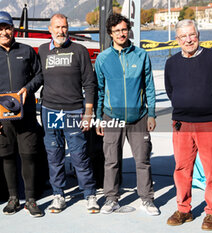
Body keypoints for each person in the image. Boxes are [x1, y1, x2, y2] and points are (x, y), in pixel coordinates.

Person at [164, 19, 212, 231]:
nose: (188, 39)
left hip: (211, 124)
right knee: (181, 170)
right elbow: (170, 90)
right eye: (183, 36)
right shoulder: (171, 63)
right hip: (182, 125)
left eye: (192, 35)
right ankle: (184, 210)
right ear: (177, 40)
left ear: (198, 36)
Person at [0, 11, 44, 217]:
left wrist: (28, 88)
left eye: (7, 27)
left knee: (28, 156)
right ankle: (13, 198)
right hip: (2, 118)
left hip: (26, 116)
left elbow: (39, 75)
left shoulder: (26, 51)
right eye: (0, 29)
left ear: (13, 29)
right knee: (7, 157)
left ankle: (31, 199)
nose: (4, 32)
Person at [95, 13, 159, 216]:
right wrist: (98, 117)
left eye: (124, 29)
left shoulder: (141, 55)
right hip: (111, 117)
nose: (121, 34)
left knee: (142, 160)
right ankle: (111, 199)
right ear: (110, 34)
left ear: (128, 30)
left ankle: (147, 199)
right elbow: (98, 90)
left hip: (138, 117)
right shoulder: (103, 59)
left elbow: (149, 86)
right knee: (111, 160)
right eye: (117, 31)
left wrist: (151, 113)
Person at [38, 13, 99, 214]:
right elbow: (37, 78)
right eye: (57, 27)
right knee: (54, 154)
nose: (61, 31)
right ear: (50, 29)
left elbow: (90, 84)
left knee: (79, 154)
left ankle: (89, 194)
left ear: (68, 28)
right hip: (50, 110)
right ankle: (58, 194)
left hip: (74, 110)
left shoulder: (79, 51)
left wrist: (88, 112)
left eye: (64, 27)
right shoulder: (42, 51)